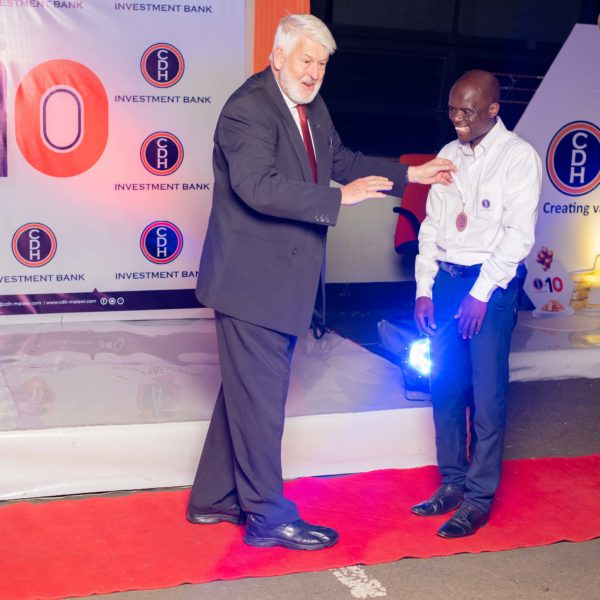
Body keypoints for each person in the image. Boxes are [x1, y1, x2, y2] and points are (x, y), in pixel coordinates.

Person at [187, 13, 456, 551]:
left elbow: (343, 160)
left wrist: (411, 174)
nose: (313, 73)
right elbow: (257, 186)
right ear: (277, 56)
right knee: (261, 404)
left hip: (278, 283)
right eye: (306, 60)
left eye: (322, 64)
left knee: (247, 394)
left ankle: (213, 498)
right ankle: (268, 518)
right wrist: (338, 198)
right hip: (250, 285)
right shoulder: (247, 109)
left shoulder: (311, 106)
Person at [412, 70, 542, 538]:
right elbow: (432, 226)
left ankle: (478, 499)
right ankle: (452, 482)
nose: (457, 119)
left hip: (491, 286)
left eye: (467, 111)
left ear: (493, 109)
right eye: (452, 109)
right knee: (444, 386)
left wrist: (480, 294)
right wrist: (424, 288)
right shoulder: (448, 154)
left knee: (486, 395)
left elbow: (518, 237)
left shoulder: (519, 158)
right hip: (447, 282)